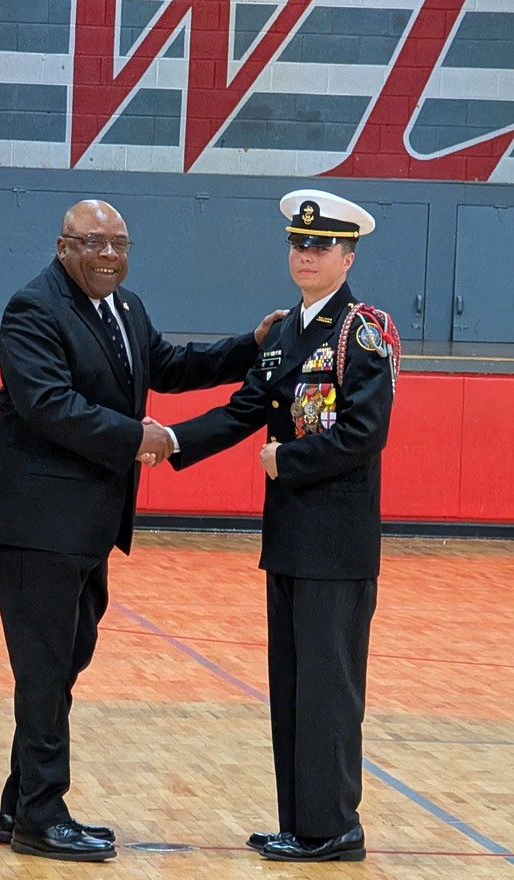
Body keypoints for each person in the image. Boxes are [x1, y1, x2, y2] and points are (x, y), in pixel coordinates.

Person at [0, 199, 284, 862]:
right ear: (63, 247)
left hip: (85, 524)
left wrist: (249, 347)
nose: (108, 255)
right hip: (35, 523)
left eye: (118, 243)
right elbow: (49, 405)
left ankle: (20, 802)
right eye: (93, 243)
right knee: (45, 668)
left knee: (63, 661)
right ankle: (40, 816)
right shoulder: (33, 310)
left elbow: (169, 367)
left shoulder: (126, 308)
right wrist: (139, 438)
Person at [159, 189, 399, 863]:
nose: (305, 255)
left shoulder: (361, 331)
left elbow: (363, 431)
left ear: (347, 256)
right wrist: (169, 441)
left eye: (320, 246)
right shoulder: (287, 331)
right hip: (290, 539)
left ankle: (335, 829)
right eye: (298, 243)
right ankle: (300, 821)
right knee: (293, 690)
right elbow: (242, 410)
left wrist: (285, 458)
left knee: (327, 691)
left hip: (336, 543)